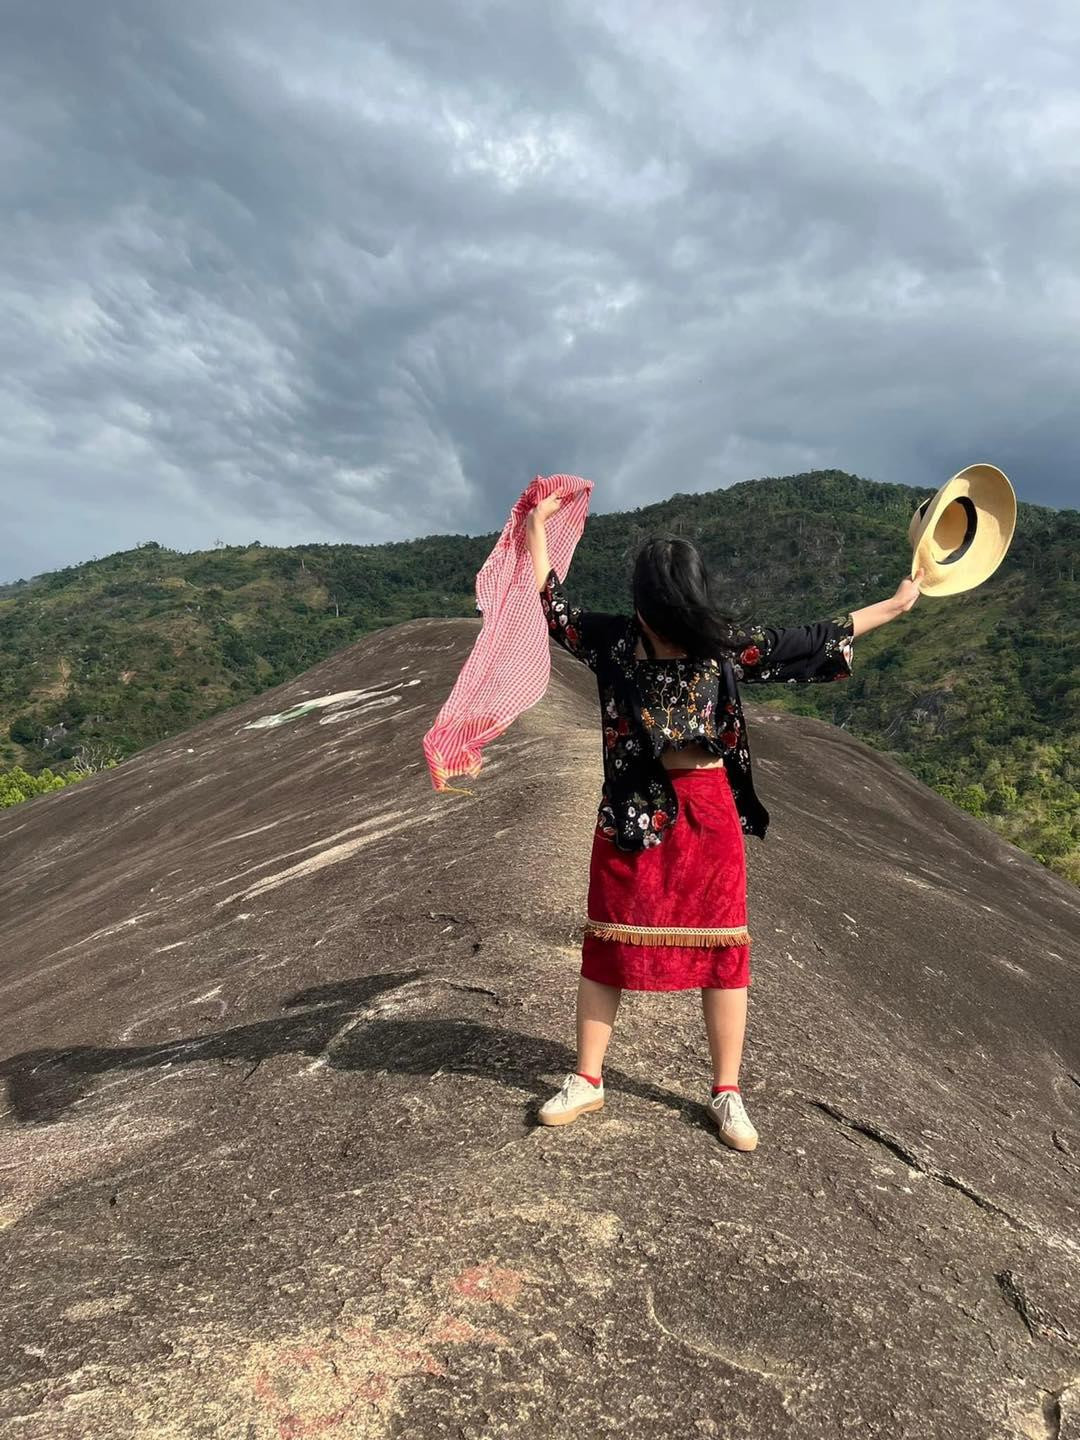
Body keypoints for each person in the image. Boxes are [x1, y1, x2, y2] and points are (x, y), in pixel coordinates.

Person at [524, 494, 924, 1151]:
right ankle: (587, 1078)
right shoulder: (616, 641)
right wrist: (537, 527)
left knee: (723, 951)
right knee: (607, 941)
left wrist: (897, 605)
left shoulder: (721, 645)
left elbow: (811, 640)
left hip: (707, 810)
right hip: (632, 808)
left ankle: (727, 1092)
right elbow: (552, 605)